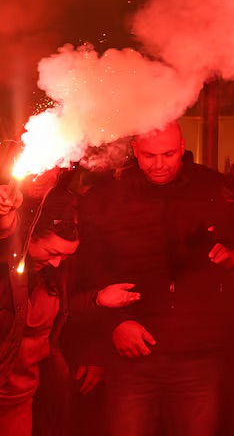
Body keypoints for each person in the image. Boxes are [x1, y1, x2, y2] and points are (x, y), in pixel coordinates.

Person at [77, 122, 234, 436]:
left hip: (197, 354)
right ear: (135, 153)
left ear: (182, 147)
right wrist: (115, 323)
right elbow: (90, 270)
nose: (159, 164)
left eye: (168, 154)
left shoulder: (210, 187)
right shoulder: (109, 195)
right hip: (132, 355)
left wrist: (233, 257)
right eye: (150, 155)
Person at [0, 176, 138, 436]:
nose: (57, 263)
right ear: (29, 238)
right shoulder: (8, 270)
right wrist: (6, 221)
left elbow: (62, 314)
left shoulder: (57, 273)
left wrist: (97, 299)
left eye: (64, 256)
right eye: (52, 253)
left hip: (27, 395)